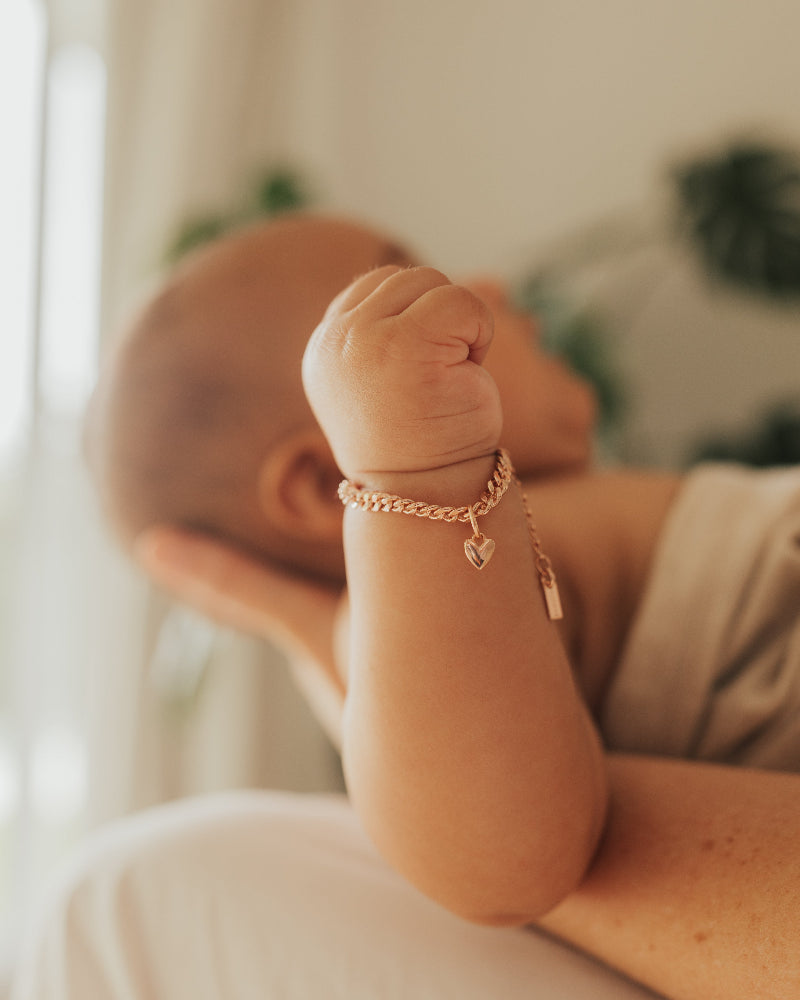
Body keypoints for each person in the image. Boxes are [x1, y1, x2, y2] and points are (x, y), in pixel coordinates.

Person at [17, 213, 799, 999]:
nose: (487, 291)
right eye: (400, 290)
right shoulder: (424, 590)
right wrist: (413, 476)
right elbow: (500, 856)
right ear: (329, 483)